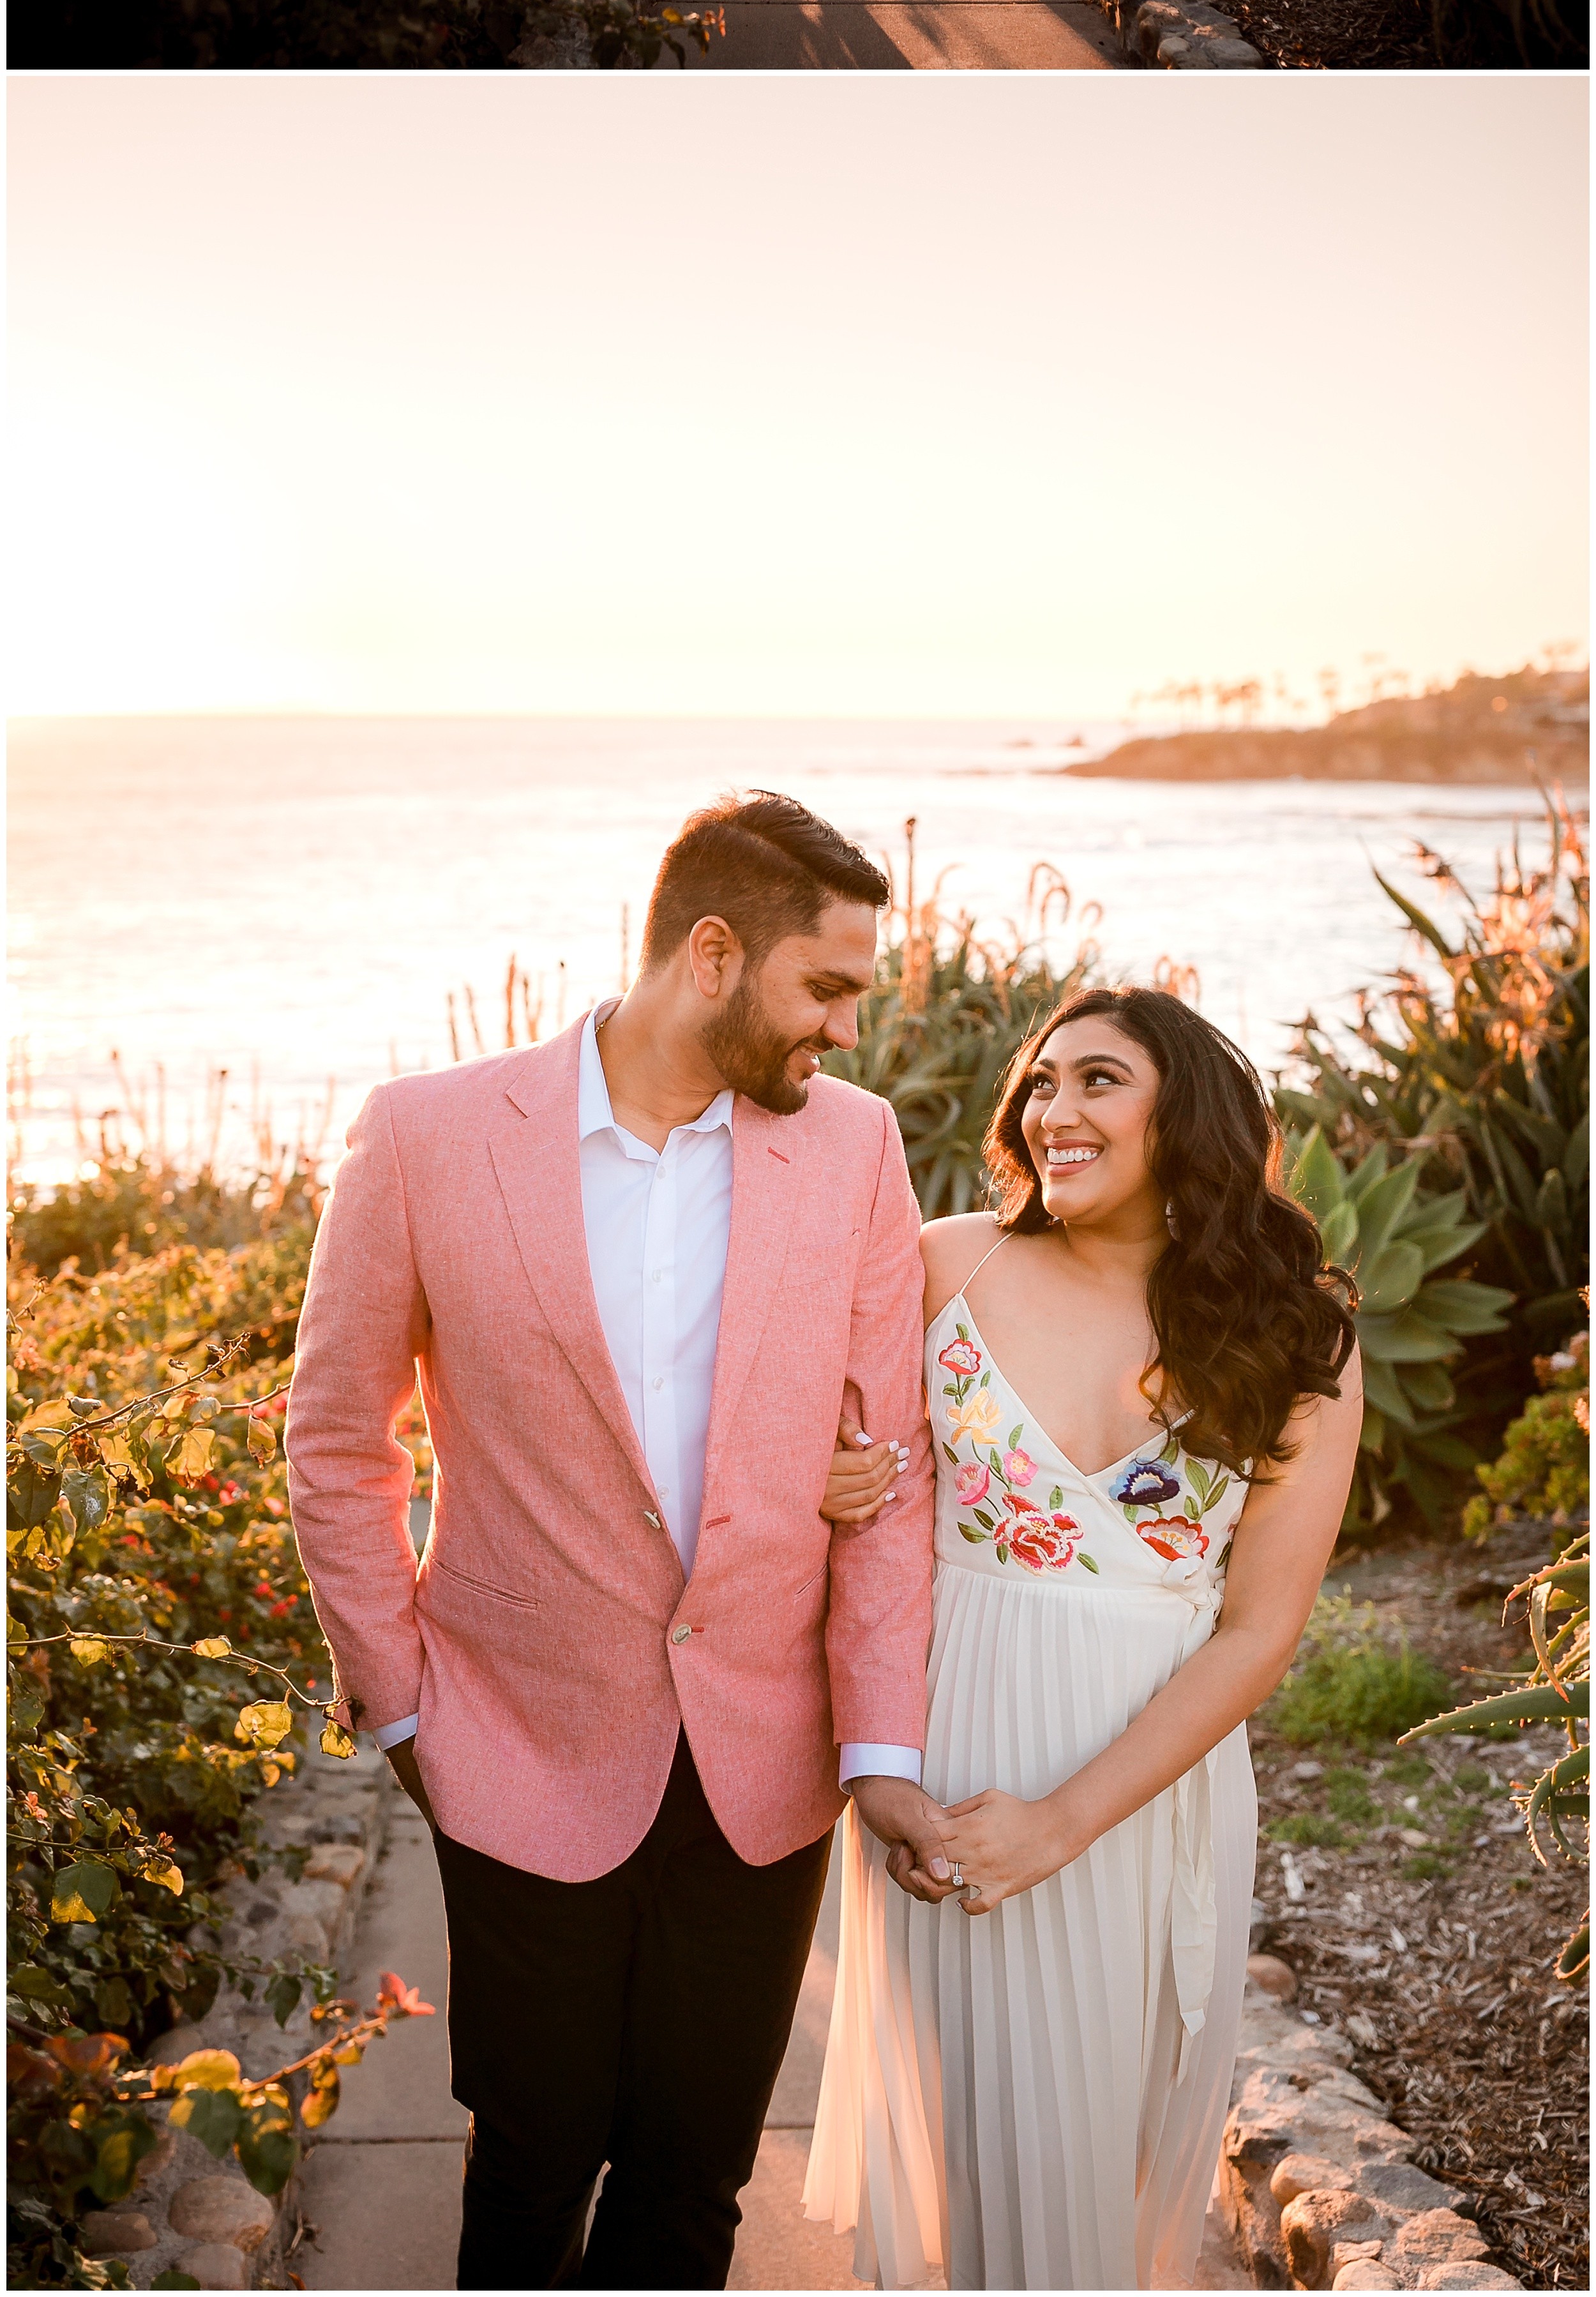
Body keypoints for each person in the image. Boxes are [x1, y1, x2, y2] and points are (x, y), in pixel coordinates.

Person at [285, 791, 953, 2291]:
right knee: (531, 2152)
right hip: (510, 1729)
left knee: (694, 2173)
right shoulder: (428, 1133)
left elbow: (890, 1464)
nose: (845, 1028)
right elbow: (338, 1434)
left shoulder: (854, 1148)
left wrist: (883, 1744)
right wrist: (398, 1696)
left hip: (766, 1757)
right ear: (712, 951)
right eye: (827, 985)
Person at [804, 984, 1362, 2292]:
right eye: (1039, 1082)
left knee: (1101, 2152)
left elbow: (1257, 1631)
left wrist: (1062, 1818)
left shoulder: (1294, 1338)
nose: (1052, 1108)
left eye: (1096, 1080)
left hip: (1141, 1786)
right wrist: (826, 1478)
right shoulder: (948, 1263)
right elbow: (821, 1464)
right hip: (948, 1751)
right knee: (974, 2142)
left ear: (1185, 1116)